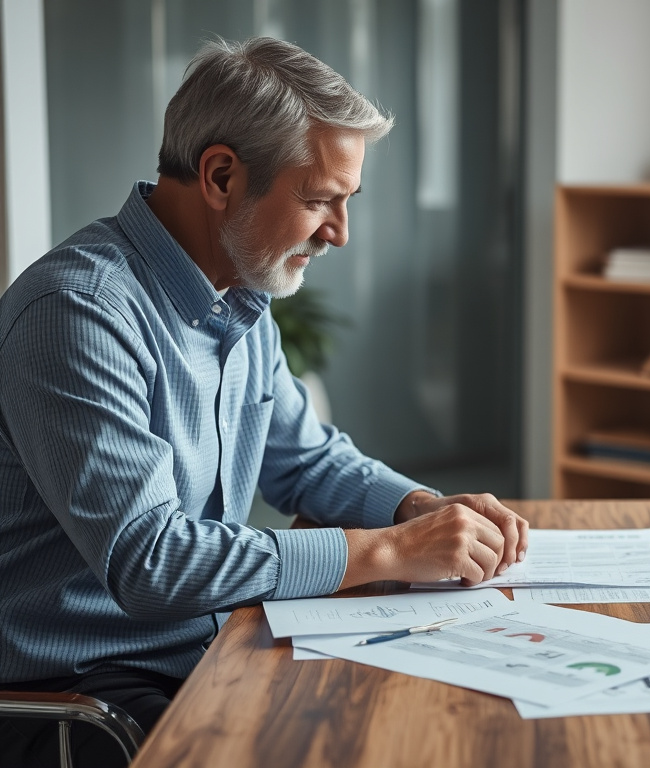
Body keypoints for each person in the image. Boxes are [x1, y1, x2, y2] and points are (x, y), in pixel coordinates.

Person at [0, 37, 528, 766]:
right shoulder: (78, 312)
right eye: (319, 201)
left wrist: (420, 510)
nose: (340, 233)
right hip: (87, 693)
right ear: (220, 176)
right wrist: (384, 551)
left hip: (212, 643)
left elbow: (305, 461)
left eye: (347, 201)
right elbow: (150, 561)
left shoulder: (239, 296)